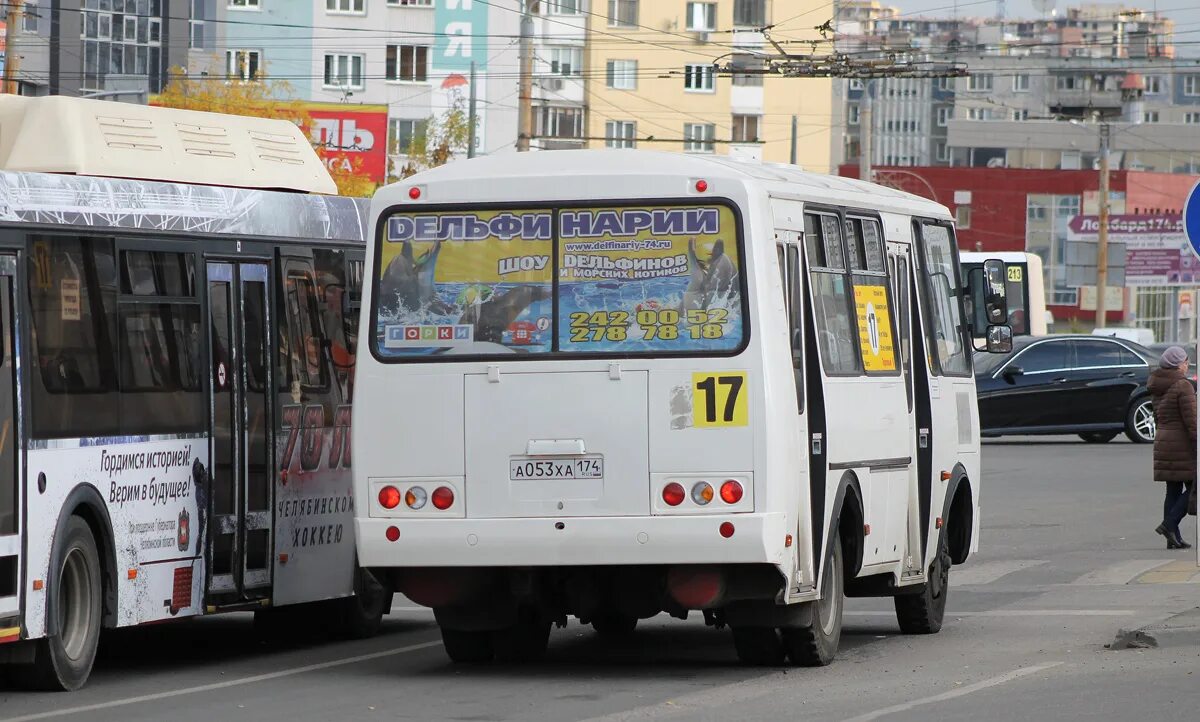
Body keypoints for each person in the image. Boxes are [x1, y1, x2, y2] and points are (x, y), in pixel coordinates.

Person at [1149, 346, 1196, 550]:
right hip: (1181, 443)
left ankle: (1172, 537)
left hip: (1164, 441)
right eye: (1186, 362)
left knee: (1173, 489)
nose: (1187, 365)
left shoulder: (1157, 384)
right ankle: (1169, 525)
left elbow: (1157, 416)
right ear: (1178, 364)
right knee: (1196, 487)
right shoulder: (1182, 385)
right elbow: (1192, 420)